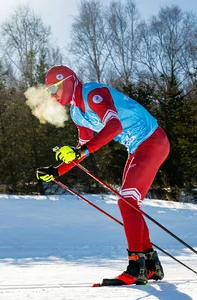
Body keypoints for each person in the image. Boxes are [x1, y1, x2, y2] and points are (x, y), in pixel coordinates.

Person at [36, 65, 170, 286]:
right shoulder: (77, 113)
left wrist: (82, 150)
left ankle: (137, 267)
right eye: (48, 90)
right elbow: (82, 149)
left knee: (126, 202)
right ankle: (149, 264)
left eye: (53, 87)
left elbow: (114, 126)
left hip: (152, 140)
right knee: (130, 203)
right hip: (137, 147)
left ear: (67, 81)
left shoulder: (93, 94)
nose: (51, 94)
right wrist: (56, 171)